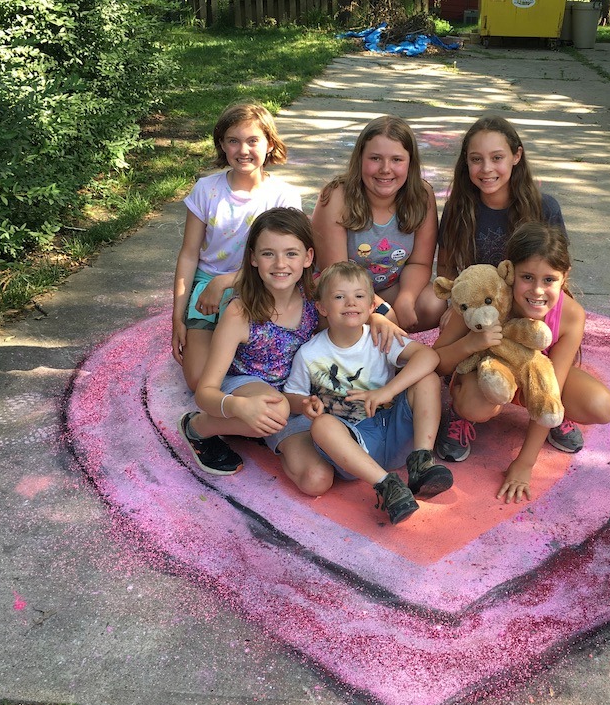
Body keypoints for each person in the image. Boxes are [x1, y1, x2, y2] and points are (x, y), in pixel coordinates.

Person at [179, 209, 403, 491]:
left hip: (297, 396)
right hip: (248, 386)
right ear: (252, 258)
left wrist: (376, 317)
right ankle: (198, 427)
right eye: (268, 254)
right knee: (277, 407)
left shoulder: (314, 292)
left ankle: (260, 431)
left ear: (308, 257)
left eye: (291, 254)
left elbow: (365, 302)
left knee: (317, 481)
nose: (280, 263)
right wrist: (238, 406)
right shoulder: (240, 312)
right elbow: (206, 391)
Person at [425, 113, 579, 457]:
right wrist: (455, 311)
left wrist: (554, 319)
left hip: (528, 310)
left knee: (595, 404)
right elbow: (448, 266)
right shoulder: (459, 207)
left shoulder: (543, 206)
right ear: (466, 163)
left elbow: (556, 268)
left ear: (517, 156)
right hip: (484, 312)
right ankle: (462, 405)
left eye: (497, 157)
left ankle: (547, 402)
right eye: (476, 159)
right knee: (476, 390)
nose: (486, 169)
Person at [433, 221, 610, 503]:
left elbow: (553, 384)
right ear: (509, 272)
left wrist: (525, 463)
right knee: (475, 404)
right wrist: (471, 344)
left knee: (602, 406)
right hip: (488, 374)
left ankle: (551, 417)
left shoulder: (571, 316)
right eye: (527, 277)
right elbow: (437, 362)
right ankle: (460, 414)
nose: (538, 291)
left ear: (564, 277)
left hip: (538, 378)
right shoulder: (483, 293)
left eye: (549, 280)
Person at [282, 261, 454, 526]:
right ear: (322, 308)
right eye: (339, 297)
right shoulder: (309, 353)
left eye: (359, 296)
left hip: (394, 430)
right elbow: (292, 395)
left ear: (372, 306)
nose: (350, 302)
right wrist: (306, 405)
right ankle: (387, 486)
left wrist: (387, 391)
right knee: (322, 425)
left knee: (427, 379)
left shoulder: (380, 336)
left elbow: (428, 356)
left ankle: (421, 462)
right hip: (355, 445)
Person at [172, 101, 301, 391]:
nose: (243, 150)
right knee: (198, 382)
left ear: (270, 144)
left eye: (253, 140)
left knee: (274, 368)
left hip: (264, 284)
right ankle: (221, 348)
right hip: (207, 287)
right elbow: (189, 255)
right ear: (222, 145)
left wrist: (226, 282)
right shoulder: (206, 189)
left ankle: (233, 353)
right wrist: (177, 318)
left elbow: (286, 262)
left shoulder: (284, 196)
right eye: (233, 141)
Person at [310, 115, 439, 332]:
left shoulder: (422, 195)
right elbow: (337, 274)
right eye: (375, 158)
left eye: (397, 160)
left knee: (433, 303)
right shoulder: (336, 197)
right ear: (360, 158)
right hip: (339, 290)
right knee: (359, 321)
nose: (385, 169)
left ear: (410, 162)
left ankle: (383, 335)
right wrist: (384, 312)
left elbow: (420, 263)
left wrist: (406, 298)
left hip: (387, 287)